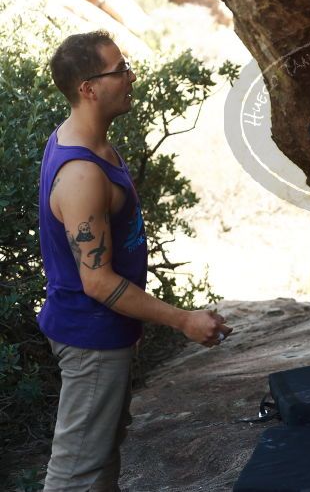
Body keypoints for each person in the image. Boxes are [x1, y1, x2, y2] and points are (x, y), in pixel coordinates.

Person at [38, 30, 232, 491]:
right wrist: (182, 320)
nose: (131, 76)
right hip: (91, 338)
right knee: (75, 474)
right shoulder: (82, 173)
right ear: (88, 88)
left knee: (100, 459)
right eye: (119, 70)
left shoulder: (87, 141)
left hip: (105, 334)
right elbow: (99, 283)